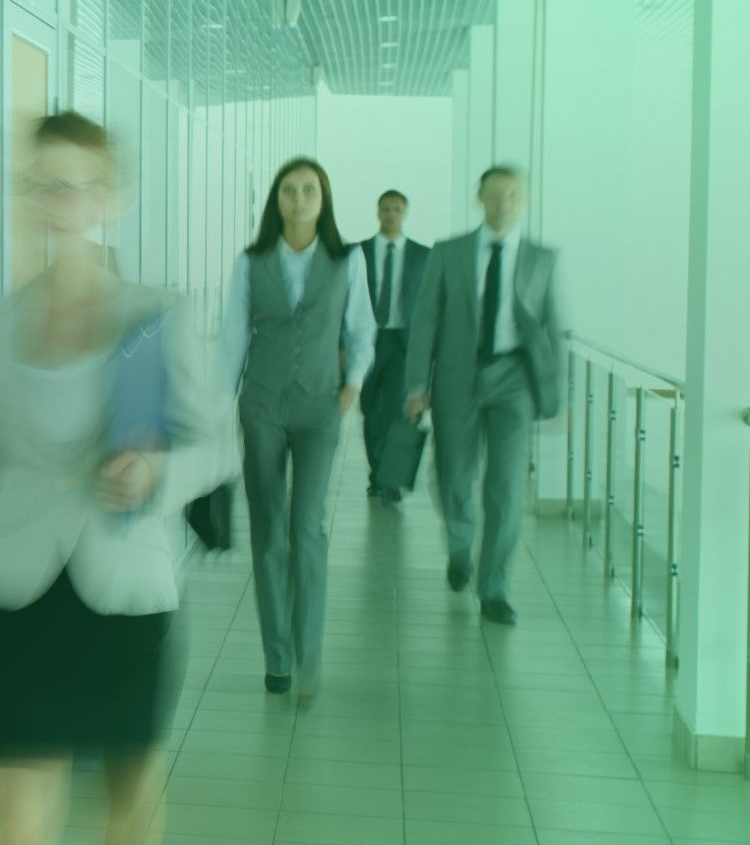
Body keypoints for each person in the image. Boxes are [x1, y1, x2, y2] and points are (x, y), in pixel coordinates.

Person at [0, 112, 236, 845]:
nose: (59, 201)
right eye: (43, 184)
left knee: (131, 801)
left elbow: (215, 444)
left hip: (123, 586)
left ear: (110, 196)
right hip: (16, 586)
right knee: (18, 830)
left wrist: (157, 474)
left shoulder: (154, 317)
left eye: (76, 185)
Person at [221, 158, 376, 698]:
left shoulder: (346, 259)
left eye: (309, 190)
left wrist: (349, 387)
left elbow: (362, 328)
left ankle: (310, 652)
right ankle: (278, 657)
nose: (299, 199)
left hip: (318, 409)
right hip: (261, 404)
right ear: (276, 199)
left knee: (307, 527)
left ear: (323, 199)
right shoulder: (251, 261)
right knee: (267, 531)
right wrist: (222, 406)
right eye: (289, 190)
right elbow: (232, 338)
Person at [405, 165, 565, 626]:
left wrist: (556, 398)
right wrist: (419, 385)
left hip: (514, 380)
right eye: (495, 195)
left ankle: (494, 586)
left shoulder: (542, 259)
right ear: (480, 196)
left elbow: (554, 331)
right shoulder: (449, 252)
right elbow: (425, 321)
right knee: (454, 474)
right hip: (458, 376)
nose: (503, 204)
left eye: (513, 195)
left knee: (507, 485)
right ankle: (460, 546)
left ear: (525, 200)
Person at [359, 190, 432, 503]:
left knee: (397, 411)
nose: (391, 214)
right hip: (367, 339)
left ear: (405, 213)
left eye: (397, 209)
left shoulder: (422, 255)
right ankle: (378, 475)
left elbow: (432, 306)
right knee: (371, 412)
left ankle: (392, 482)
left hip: (404, 342)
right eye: (386, 209)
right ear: (377, 212)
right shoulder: (358, 252)